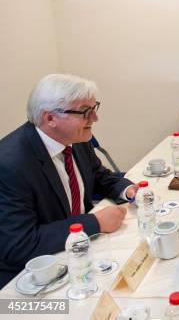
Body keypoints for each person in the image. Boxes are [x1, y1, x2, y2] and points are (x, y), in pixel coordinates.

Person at [0, 74, 138, 288]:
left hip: (82, 253)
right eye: (85, 112)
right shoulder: (10, 165)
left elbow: (97, 173)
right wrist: (94, 223)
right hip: (33, 278)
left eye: (94, 109)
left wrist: (127, 189)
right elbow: (20, 245)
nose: (95, 119)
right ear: (50, 118)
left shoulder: (76, 138)